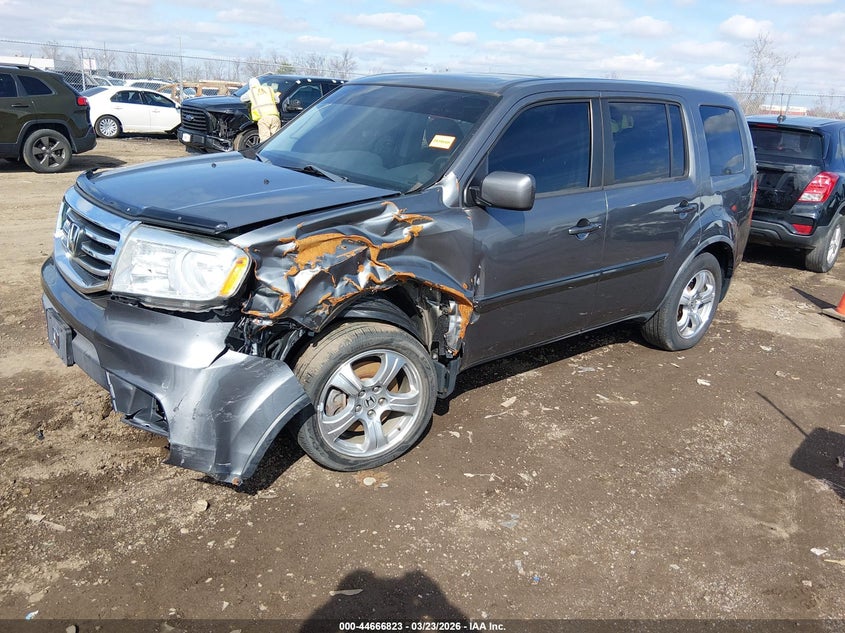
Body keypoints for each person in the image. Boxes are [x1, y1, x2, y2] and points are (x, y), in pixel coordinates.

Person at [240, 77, 281, 143]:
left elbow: (242, 99)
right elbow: (277, 100)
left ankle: (265, 153)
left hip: (263, 119)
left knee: (264, 141)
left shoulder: (251, 92)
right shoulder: (269, 89)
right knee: (275, 140)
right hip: (275, 117)